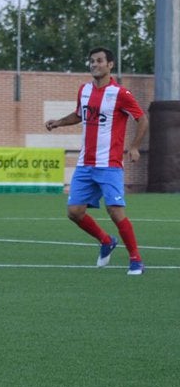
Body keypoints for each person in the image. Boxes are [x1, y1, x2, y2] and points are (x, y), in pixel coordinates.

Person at [45, 46, 149, 275]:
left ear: (110, 65)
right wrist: (58, 122)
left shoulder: (120, 94)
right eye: (92, 61)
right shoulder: (84, 90)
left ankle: (136, 259)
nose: (94, 64)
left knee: (115, 211)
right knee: (74, 212)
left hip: (109, 164)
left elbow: (142, 119)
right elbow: (79, 115)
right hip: (85, 164)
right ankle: (105, 240)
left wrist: (133, 147)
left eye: (99, 61)